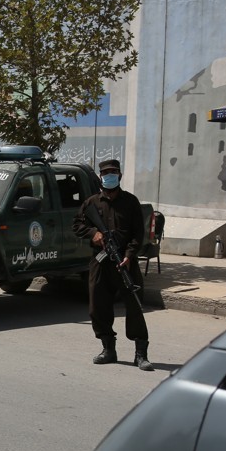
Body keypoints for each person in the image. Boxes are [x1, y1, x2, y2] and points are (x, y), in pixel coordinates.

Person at [72, 158, 154, 371]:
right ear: (100, 177)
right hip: (100, 262)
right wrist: (93, 233)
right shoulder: (92, 203)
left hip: (125, 262)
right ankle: (108, 348)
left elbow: (138, 233)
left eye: (113, 172)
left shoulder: (130, 202)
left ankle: (140, 354)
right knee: (98, 306)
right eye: (106, 173)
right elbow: (78, 224)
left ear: (119, 175)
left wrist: (129, 254)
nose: (110, 176)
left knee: (134, 305)